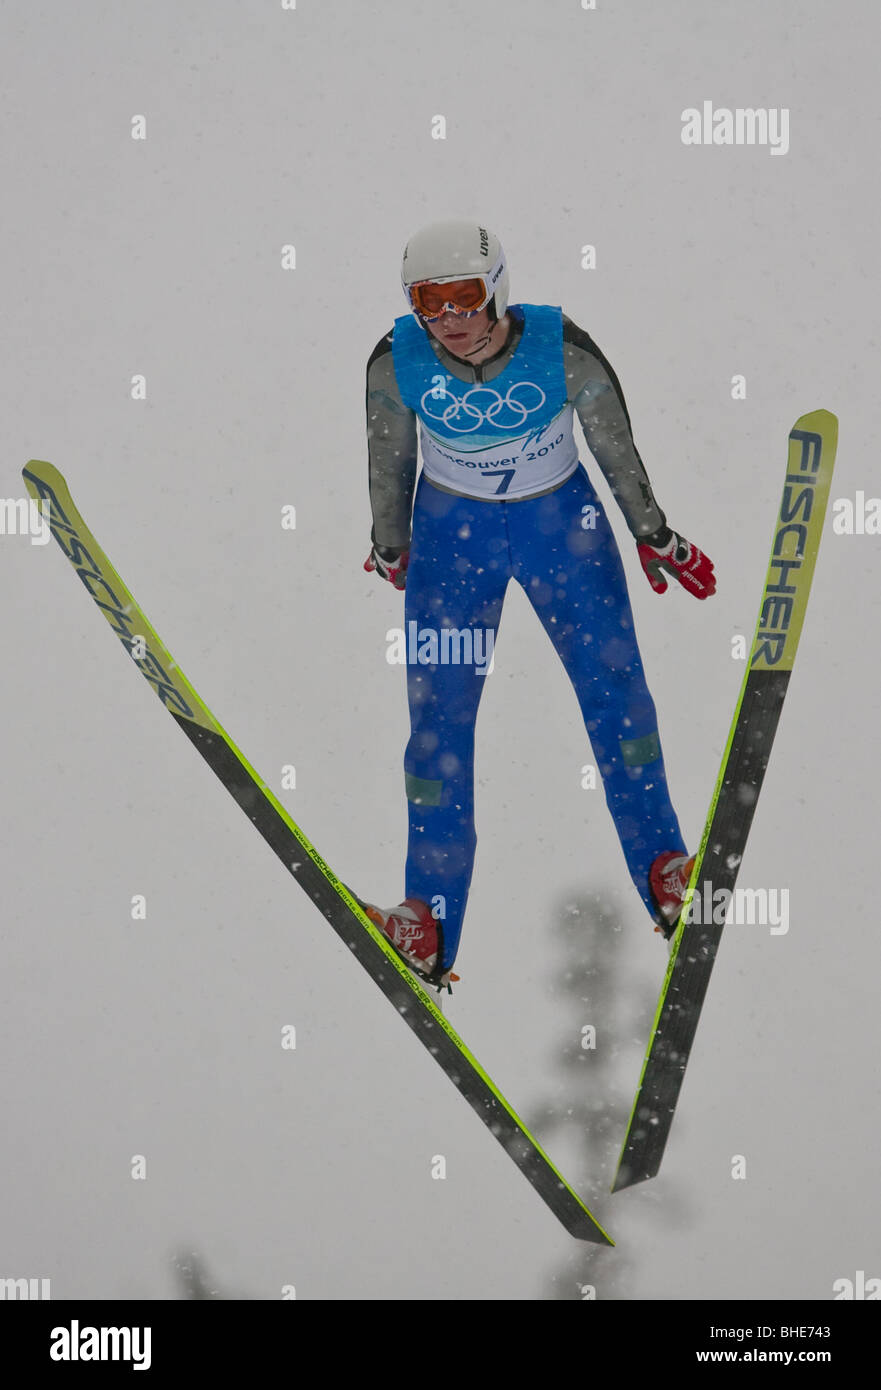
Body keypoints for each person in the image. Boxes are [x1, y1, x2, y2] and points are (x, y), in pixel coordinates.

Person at [359, 220, 714, 991]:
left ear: (496, 290)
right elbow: (387, 454)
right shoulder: (396, 362)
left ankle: (664, 867)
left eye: (462, 296)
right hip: (453, 543)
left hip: (564, 531)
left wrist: (652, 533)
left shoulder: (562, 349)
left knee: (616, 699)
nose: (448, 317)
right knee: (437, 730)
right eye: (428, 300)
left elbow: (615, 445)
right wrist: (390, 542)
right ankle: (427, 921)